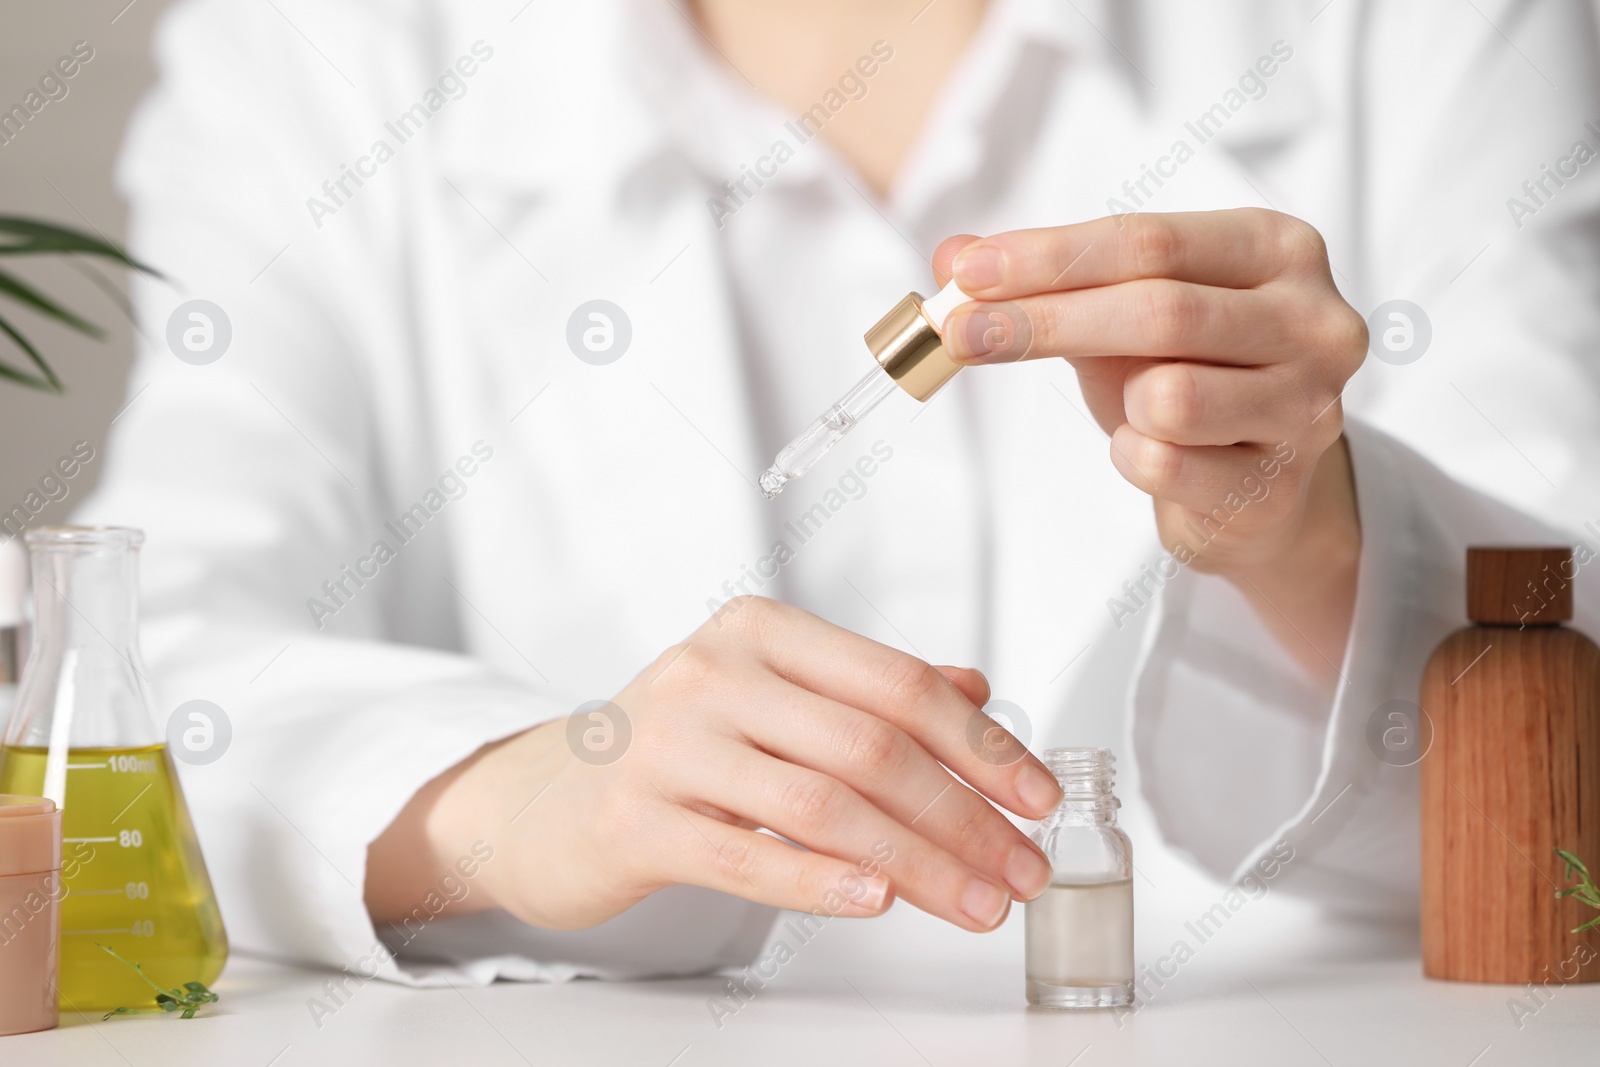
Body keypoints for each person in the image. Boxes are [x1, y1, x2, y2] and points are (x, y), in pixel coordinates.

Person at [78, 0, 1600, 983]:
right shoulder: (322, 48)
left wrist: (1312, 541)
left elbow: (1569, 636)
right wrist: (533, 796)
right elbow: (158, 669)